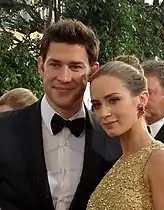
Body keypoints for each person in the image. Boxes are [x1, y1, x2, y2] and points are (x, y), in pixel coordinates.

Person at [0, 19, 121, 210]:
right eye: (55, 65)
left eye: (75, 67)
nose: (64, 77)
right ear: (41, 66)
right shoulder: (4, 129)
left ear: (93, 71)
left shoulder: (113, 138)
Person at [87, 61, 164, 210]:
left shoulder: (162, 161)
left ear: (142, 99)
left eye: (114, 100)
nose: (104, 113)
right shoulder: (119, 163)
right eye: (97, 105)